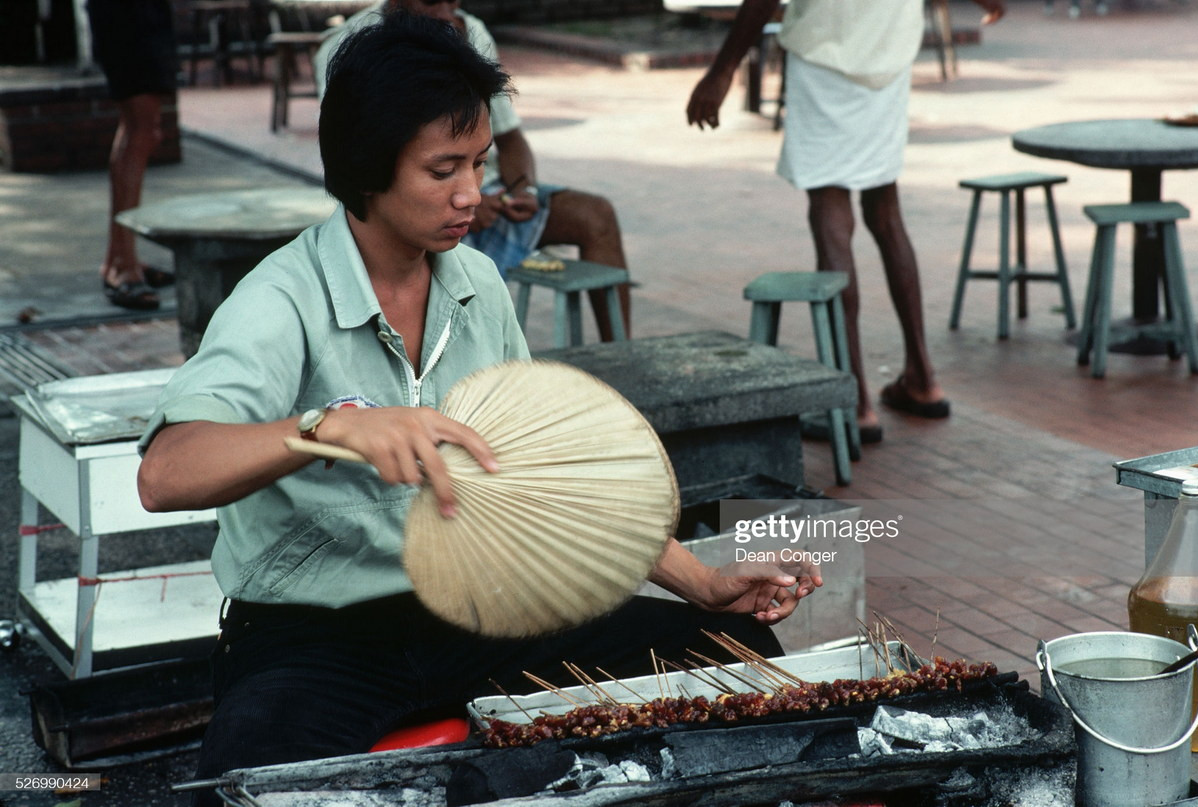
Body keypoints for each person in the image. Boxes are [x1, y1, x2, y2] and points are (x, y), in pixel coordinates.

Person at [137, 13, 819, 801]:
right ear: (367, 168)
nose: (473, 194)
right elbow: (166, 472)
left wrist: (698, 578)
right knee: (250, 780)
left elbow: (539, 477)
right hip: (314, 636)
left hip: (477, 611)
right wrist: (325, 427)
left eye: (479, 163)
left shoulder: (475, 285)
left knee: (729, 651)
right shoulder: (280, 299)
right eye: (442, 170)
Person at [687, 0, 1005, 442]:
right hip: (886, 60)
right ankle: (922, 378)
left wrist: (720, 71)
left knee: (831, 214)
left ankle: (854, 404)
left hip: (826, 57)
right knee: (885, 211)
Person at [314, 0, 631, 341]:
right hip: (395, 217)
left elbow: (510, 139)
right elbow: (351, 154)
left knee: (594, 215)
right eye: (442, 170)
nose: (446, 10)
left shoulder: (470, 32)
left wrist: (523, 190)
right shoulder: (347, 48)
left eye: (479, 162)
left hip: (493, 206)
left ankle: (621, 353)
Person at [86, 0, 179, 311]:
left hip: (140, 13)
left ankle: (121, 257)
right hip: (127, 14)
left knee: (138, 130)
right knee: (143, 131)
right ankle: (121, 265)